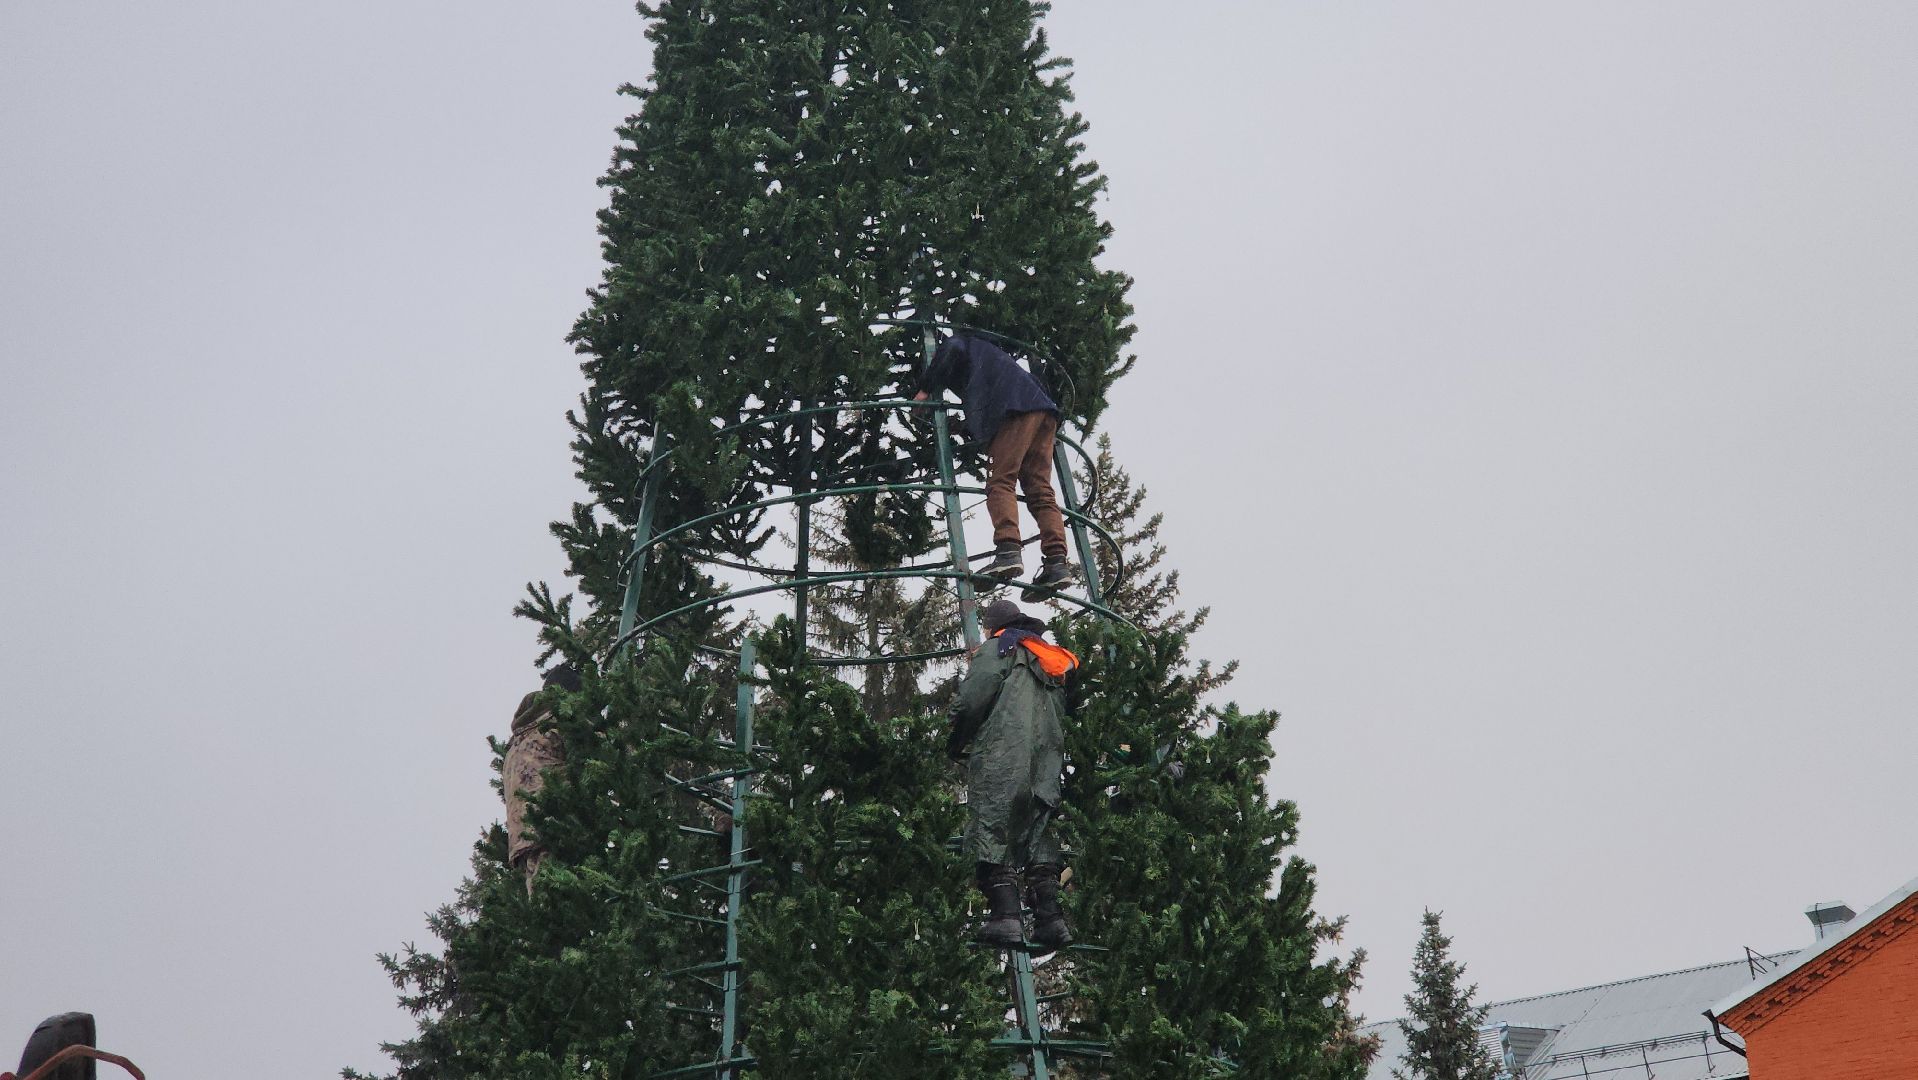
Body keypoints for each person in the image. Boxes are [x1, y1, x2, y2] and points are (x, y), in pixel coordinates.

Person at [946, 599, 1078, 950]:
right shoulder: (1050, 659)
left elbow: (971, 701)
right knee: (1040, 836)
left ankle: (1005, 918)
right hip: (1046, 765)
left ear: (993, 627)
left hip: (1004, 758)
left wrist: (954, 740)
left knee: (990, 828)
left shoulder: (999, 649)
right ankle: (1051, 920)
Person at [911, 333, 1074, 593]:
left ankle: (1008, 550)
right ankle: (1057, 563)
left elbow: (952, 346)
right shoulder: (994, 361)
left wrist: (924, 389)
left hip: (1016, 410)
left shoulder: (964, 344)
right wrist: (962, 427)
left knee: (1000, 481)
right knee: (1040, 490)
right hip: (1043, 412)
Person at [503, 664, 579, 896]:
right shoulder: (559, 721)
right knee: (566, 899)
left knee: (544, 902)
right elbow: (604, 751)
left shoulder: (518, 739)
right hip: (555, 827)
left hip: (524, 840)